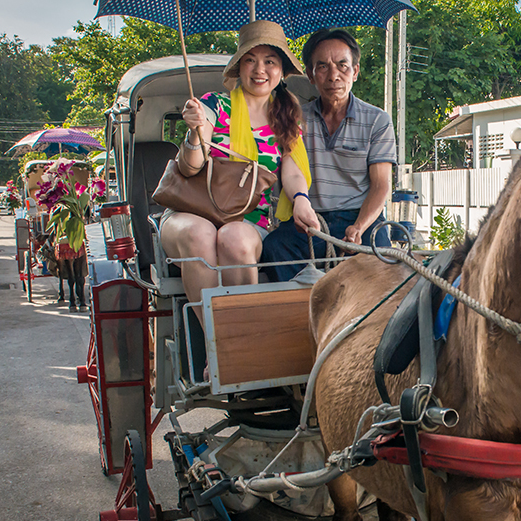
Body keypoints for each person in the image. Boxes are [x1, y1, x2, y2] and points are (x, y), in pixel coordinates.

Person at [158, 20, 320, 322]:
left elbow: (293, 170)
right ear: (239, 67)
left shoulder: (286, 117)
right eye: (250, 60)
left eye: (269, 61)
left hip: (248, 218)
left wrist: (300, 198)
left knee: (236, 240)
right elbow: (190, 165)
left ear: (281, 70)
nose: (260, 70)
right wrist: (195, 131)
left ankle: (241, 337)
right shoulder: (212, 105)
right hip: (191, 213)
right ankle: (215, 347)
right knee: (201, 234)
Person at [261, 27, 396, 281]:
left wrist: (358, 227)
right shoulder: (295, 118)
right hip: (309, 219)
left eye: (342, 66)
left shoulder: (378, 120)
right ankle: (302, 317)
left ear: (355, 71)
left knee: (383, 270)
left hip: (359, 218)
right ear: (311, 75)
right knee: (274, 248)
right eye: (322, 66)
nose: (334, 75)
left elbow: (381, 185)